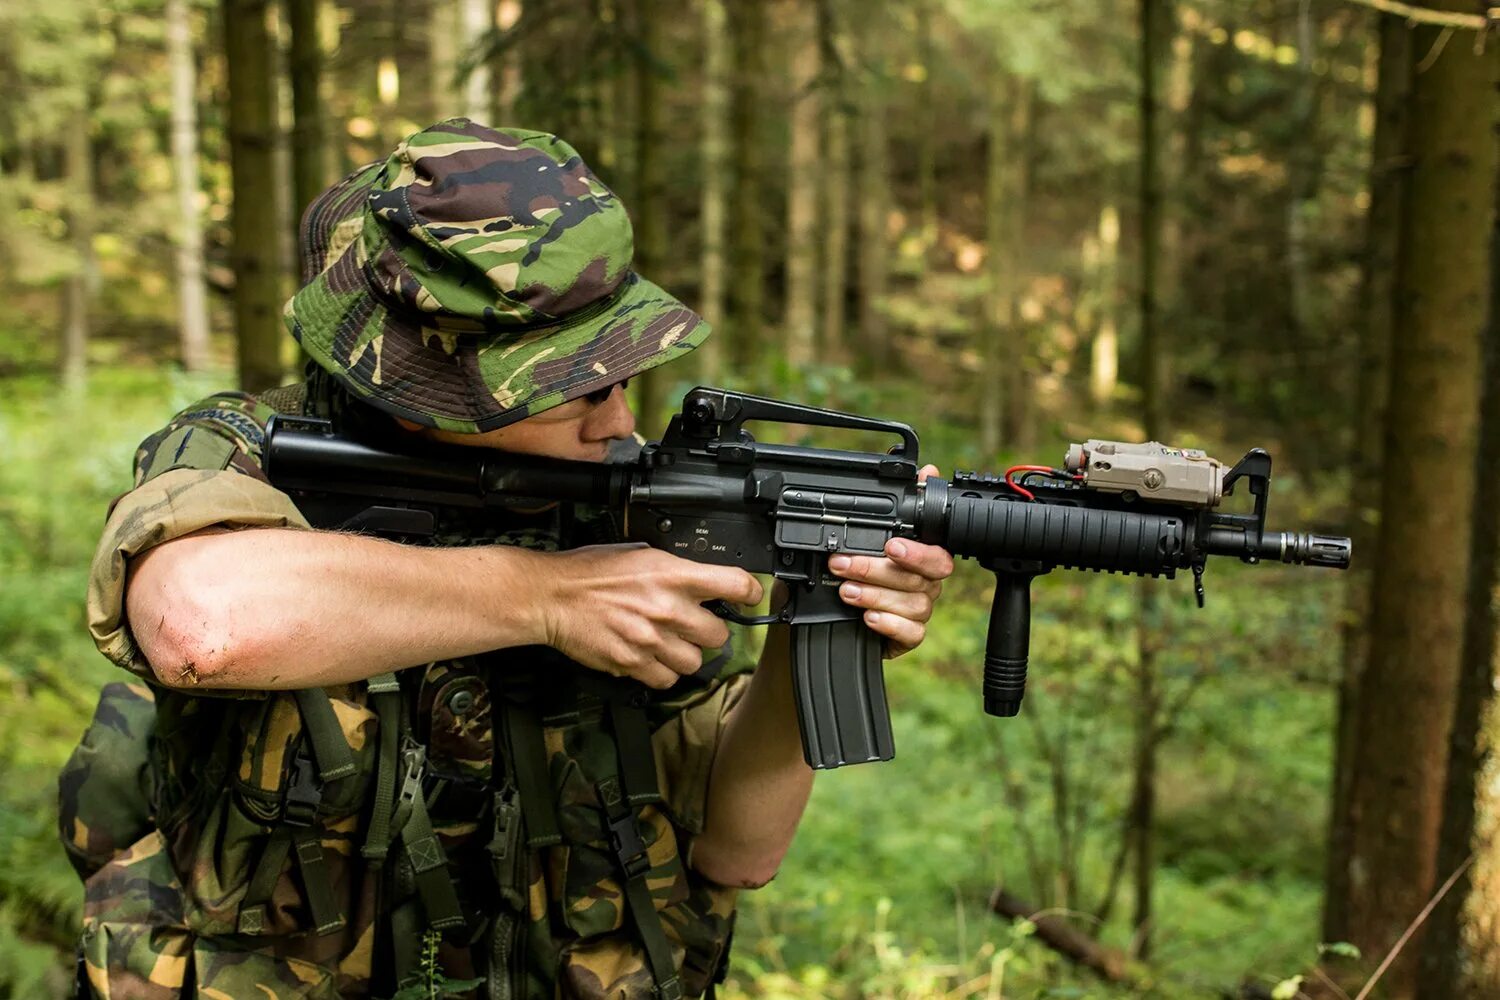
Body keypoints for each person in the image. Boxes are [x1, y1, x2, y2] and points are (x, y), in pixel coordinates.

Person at [62, 119, 953, 1000]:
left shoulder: (620, 501)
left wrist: (821, 620)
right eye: (574, 388)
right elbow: (200, 623)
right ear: (425, 394)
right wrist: (546, 598)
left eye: (621, 375)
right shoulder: (246, 452)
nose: (618, 423)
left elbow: (738, 849)